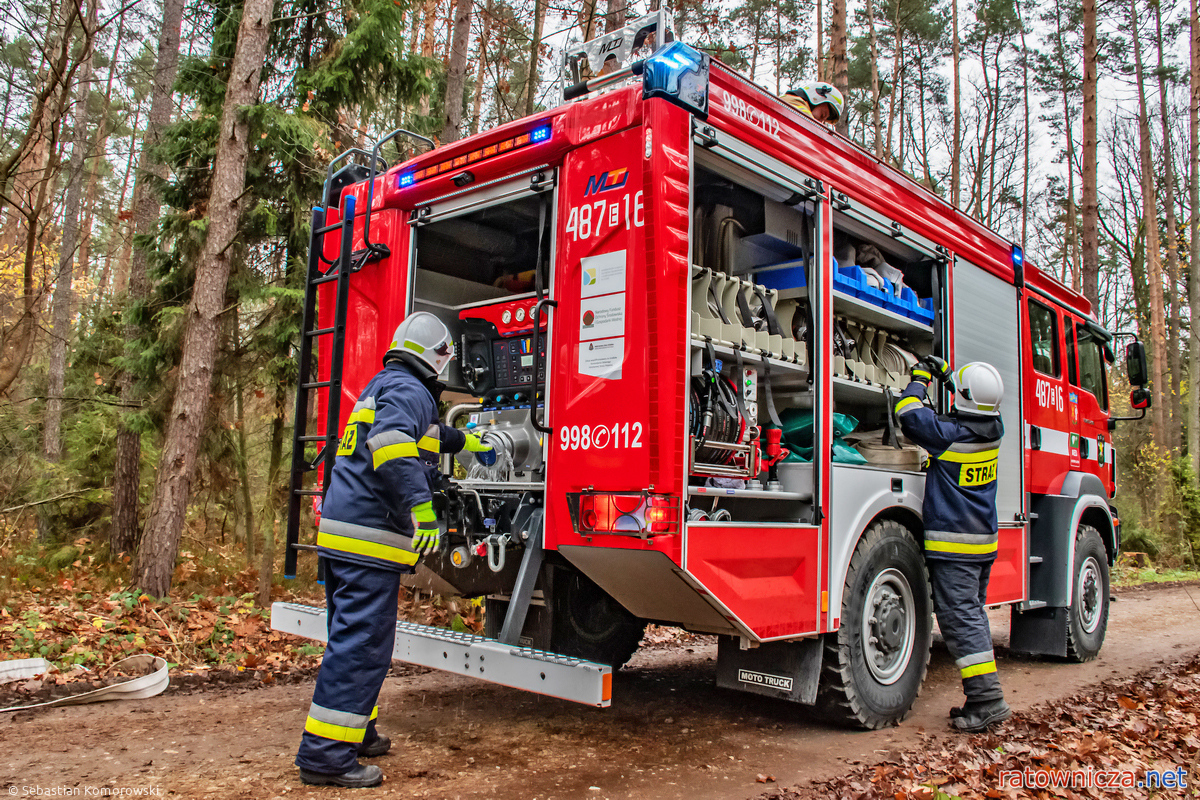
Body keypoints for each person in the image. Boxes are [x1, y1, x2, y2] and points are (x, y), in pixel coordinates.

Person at [295, 312, 492, 788]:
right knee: (362, 646)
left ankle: (355, 730)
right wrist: (422, 508)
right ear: (435, 359)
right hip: (368, 539)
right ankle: (325, 756)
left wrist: (465, 439)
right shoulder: (412, 391)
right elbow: (390, 443)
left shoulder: (386, 384)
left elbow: (417, 434)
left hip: (344, 535)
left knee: (351, 639)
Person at [894, 357, 1010, 733]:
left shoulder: (949, 435)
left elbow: (909, 414)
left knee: (960, 620)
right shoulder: (993, 428)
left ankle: (988, 699)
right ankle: (980, 697)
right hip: (981, 544)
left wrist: (920, 379)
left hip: (956, 548)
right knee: (972, 614)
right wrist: (948, 375)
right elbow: (969, 406)